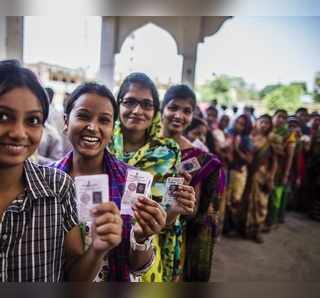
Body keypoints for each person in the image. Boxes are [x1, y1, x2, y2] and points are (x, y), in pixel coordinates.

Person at [0, 60, 124, 282]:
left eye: (32, 120)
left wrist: (96, 250)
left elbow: (72, 277)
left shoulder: (58, 187)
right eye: (1, 116)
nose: (18, 132)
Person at [54, 82, 166, 281]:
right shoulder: (46, 180)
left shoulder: (131, 181)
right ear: (66, 121)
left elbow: (138, 267)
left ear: (112, 128)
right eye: (83, 116)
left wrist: (141, 238)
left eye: (104, 120)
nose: (92, 127)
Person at [109, 73, 196, 282]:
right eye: (129, 101)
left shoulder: (167, 151)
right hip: (102, 242)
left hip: (147, 245)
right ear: (118, 104)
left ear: (155, 111)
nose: (137, 111)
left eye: (146, 104)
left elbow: (166, 213)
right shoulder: (103, 142)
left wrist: (176, 208)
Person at [161, 84, 225, 281]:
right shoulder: (143, 145)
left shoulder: (197, 158)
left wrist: (183, 202)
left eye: (186, 111)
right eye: (173, 108)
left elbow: (193, 211)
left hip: (171, 234)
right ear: (162, 108)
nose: (179, 115)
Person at [239, 115, 277, 243]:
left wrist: (271, 176)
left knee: (261, 203)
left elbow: (274, 162)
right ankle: (244, 228)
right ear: (256, 123)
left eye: (267, 123)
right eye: (262, 122)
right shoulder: (250, 138)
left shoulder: (271, 141)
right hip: (248, 174)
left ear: (270, 125)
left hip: (262, 175)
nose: (264, 125)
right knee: (247, 200)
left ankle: (257, 230)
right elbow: (247, 157)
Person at [223, 114, 253, 235]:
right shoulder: (230, 134)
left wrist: (237, 149)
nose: (238, 126)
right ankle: (227, 226)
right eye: (237, 122)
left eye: (242, 124)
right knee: (227, 199)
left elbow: (249, 160)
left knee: (236, 199)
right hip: (230, 170)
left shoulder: (246, 139)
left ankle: (233, 226)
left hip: (239, 171)